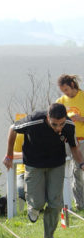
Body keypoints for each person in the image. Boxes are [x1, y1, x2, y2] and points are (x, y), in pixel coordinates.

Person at [3, 103, 84, 238]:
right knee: (38, 203)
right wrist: (9, 155)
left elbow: (74, 147)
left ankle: (48, 237)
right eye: (54, 124)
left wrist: (82, 163)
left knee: (55, 203)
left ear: (65, 119)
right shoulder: (34, 121)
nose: (58, 128)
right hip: (34, 164)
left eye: (61, 124)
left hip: (56, 164)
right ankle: (33, 207)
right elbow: (13, 129)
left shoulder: (69, 126)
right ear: (47, 118)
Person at [56, 74, 84, 210]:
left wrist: (81, 119)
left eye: (66, 89)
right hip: (67, 141)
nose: (65, 93)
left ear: (72, 85)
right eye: (63, 91)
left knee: (79, 170)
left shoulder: (82, 97)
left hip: (82, 140)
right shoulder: (60, 101)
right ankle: (78, 204)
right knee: (73, 171)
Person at [13, 133, 26, 201]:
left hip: (42, 168)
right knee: (21, 192)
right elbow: (13, 154)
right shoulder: (20, 134)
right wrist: (30, 154)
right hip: (22, 170)